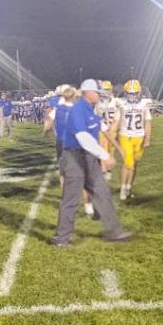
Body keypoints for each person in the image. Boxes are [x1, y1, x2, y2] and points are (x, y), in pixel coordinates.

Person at [53, 79, 132, 246]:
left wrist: (117, 149)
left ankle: (114, 232)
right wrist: (104, 155)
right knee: (71, 198)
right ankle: (61, 238)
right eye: (97, 92)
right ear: (88, 92)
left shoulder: (91, 110)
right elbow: (83, 137)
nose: (99, 96)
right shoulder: (78, 110)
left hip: (89, 157)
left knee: (102, 193)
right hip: (74, 157)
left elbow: (103, 130)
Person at [116, 79, 152, 200]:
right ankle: (123, 188)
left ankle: (128, 187)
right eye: (129, 93)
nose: (131, 96)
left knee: (134, 164)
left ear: (139, 93)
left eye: (134, 93)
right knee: (128, 163)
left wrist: (147, 139)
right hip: (125, 136)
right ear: (125, 93)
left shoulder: (144, 104)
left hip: (139, 137)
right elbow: (117, 120)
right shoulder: (121, 104)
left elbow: (148, 122)